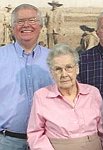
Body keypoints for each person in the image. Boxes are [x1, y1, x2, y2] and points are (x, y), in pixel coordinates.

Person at [27, 44, 103, 150]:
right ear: (51, 73)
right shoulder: (41, 96)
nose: (64, 74)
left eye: (68, 68)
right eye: (58, 69)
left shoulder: (92, 93)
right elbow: (35, 134)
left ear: (77, 69)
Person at [0, 4, 53, 150]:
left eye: (32, 20)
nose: (26, 25)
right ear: (12, 27)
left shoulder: (53, 59)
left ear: (41, 26)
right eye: (20, 21)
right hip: (7, 142)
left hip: (46, 141)